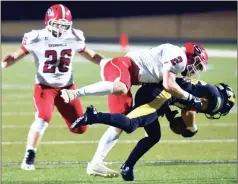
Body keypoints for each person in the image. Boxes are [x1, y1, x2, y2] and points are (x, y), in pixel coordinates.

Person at [60, 42, 209, 177]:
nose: (196, 69)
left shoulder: (172, 56)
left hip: (122, 69)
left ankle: (96, 163)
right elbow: (168, 85)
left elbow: (99, 59)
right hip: (123, 67)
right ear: (191, 56)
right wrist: (192, 98)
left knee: (120, 122)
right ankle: (77, 94)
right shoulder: (180, 57)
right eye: (198, 64)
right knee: (121, 88)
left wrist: (81, 48)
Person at [1, 4, 105, 171]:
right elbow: (15, 55)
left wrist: (105, 63)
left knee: (80, 129)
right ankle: (29, 156)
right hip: (45, 88)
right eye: (57, 24)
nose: (60, 29)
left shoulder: (74, 36)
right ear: (48, 21)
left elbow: (90, 54)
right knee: (43, 118)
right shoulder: (36, 37)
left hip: (68, 88)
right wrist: (3, 63)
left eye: (64, 25)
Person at [70, 78, 236, 181]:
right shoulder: (215, 100)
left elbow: (183, 104)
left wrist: (171, 118)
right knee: (130, 124)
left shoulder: (211, 91)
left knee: (154, 136)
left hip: (159, 95)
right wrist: (193, 129)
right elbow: (189, 111)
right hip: (159, 95)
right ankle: (93, 116)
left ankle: (127, 167)